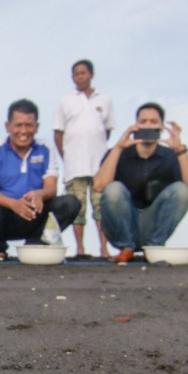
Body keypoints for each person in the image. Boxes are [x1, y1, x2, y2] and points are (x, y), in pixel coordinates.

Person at [93, 103, 188, 264]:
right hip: (121, 226)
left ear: (161, 126)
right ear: (135, 125)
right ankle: (126, 249)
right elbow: (100, 186)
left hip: (152, 225)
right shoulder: (118, 153)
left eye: (153, 122)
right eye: (143, 121)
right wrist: (118, 148)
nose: (148, 126)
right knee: (114, 189)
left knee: (181, 190)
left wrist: (179, 149)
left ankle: (153, 249)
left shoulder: (170, 156)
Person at [0, 99, 81, 261]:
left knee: (71, 202)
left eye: (29, 125)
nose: (24, 131)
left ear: (36, 127)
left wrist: (40, 194)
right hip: (6, 214)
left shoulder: (46, 148)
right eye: (18, 125)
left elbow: (52, 188)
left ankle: (35, 243)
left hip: (36, 212)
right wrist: (13, 204)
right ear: (7, 126)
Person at [53, 59, 115, 260]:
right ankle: (80, 248)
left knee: (101, 208)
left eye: (83, 73)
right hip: (74, 164)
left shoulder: (104, 100)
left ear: (91, 75)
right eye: (76, 74)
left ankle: (104, 248)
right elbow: (58, 132)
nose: (80, 77)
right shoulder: (65, 101)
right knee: (77, 208)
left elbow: (106, 131)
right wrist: (67, 156)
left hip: (99, 165)